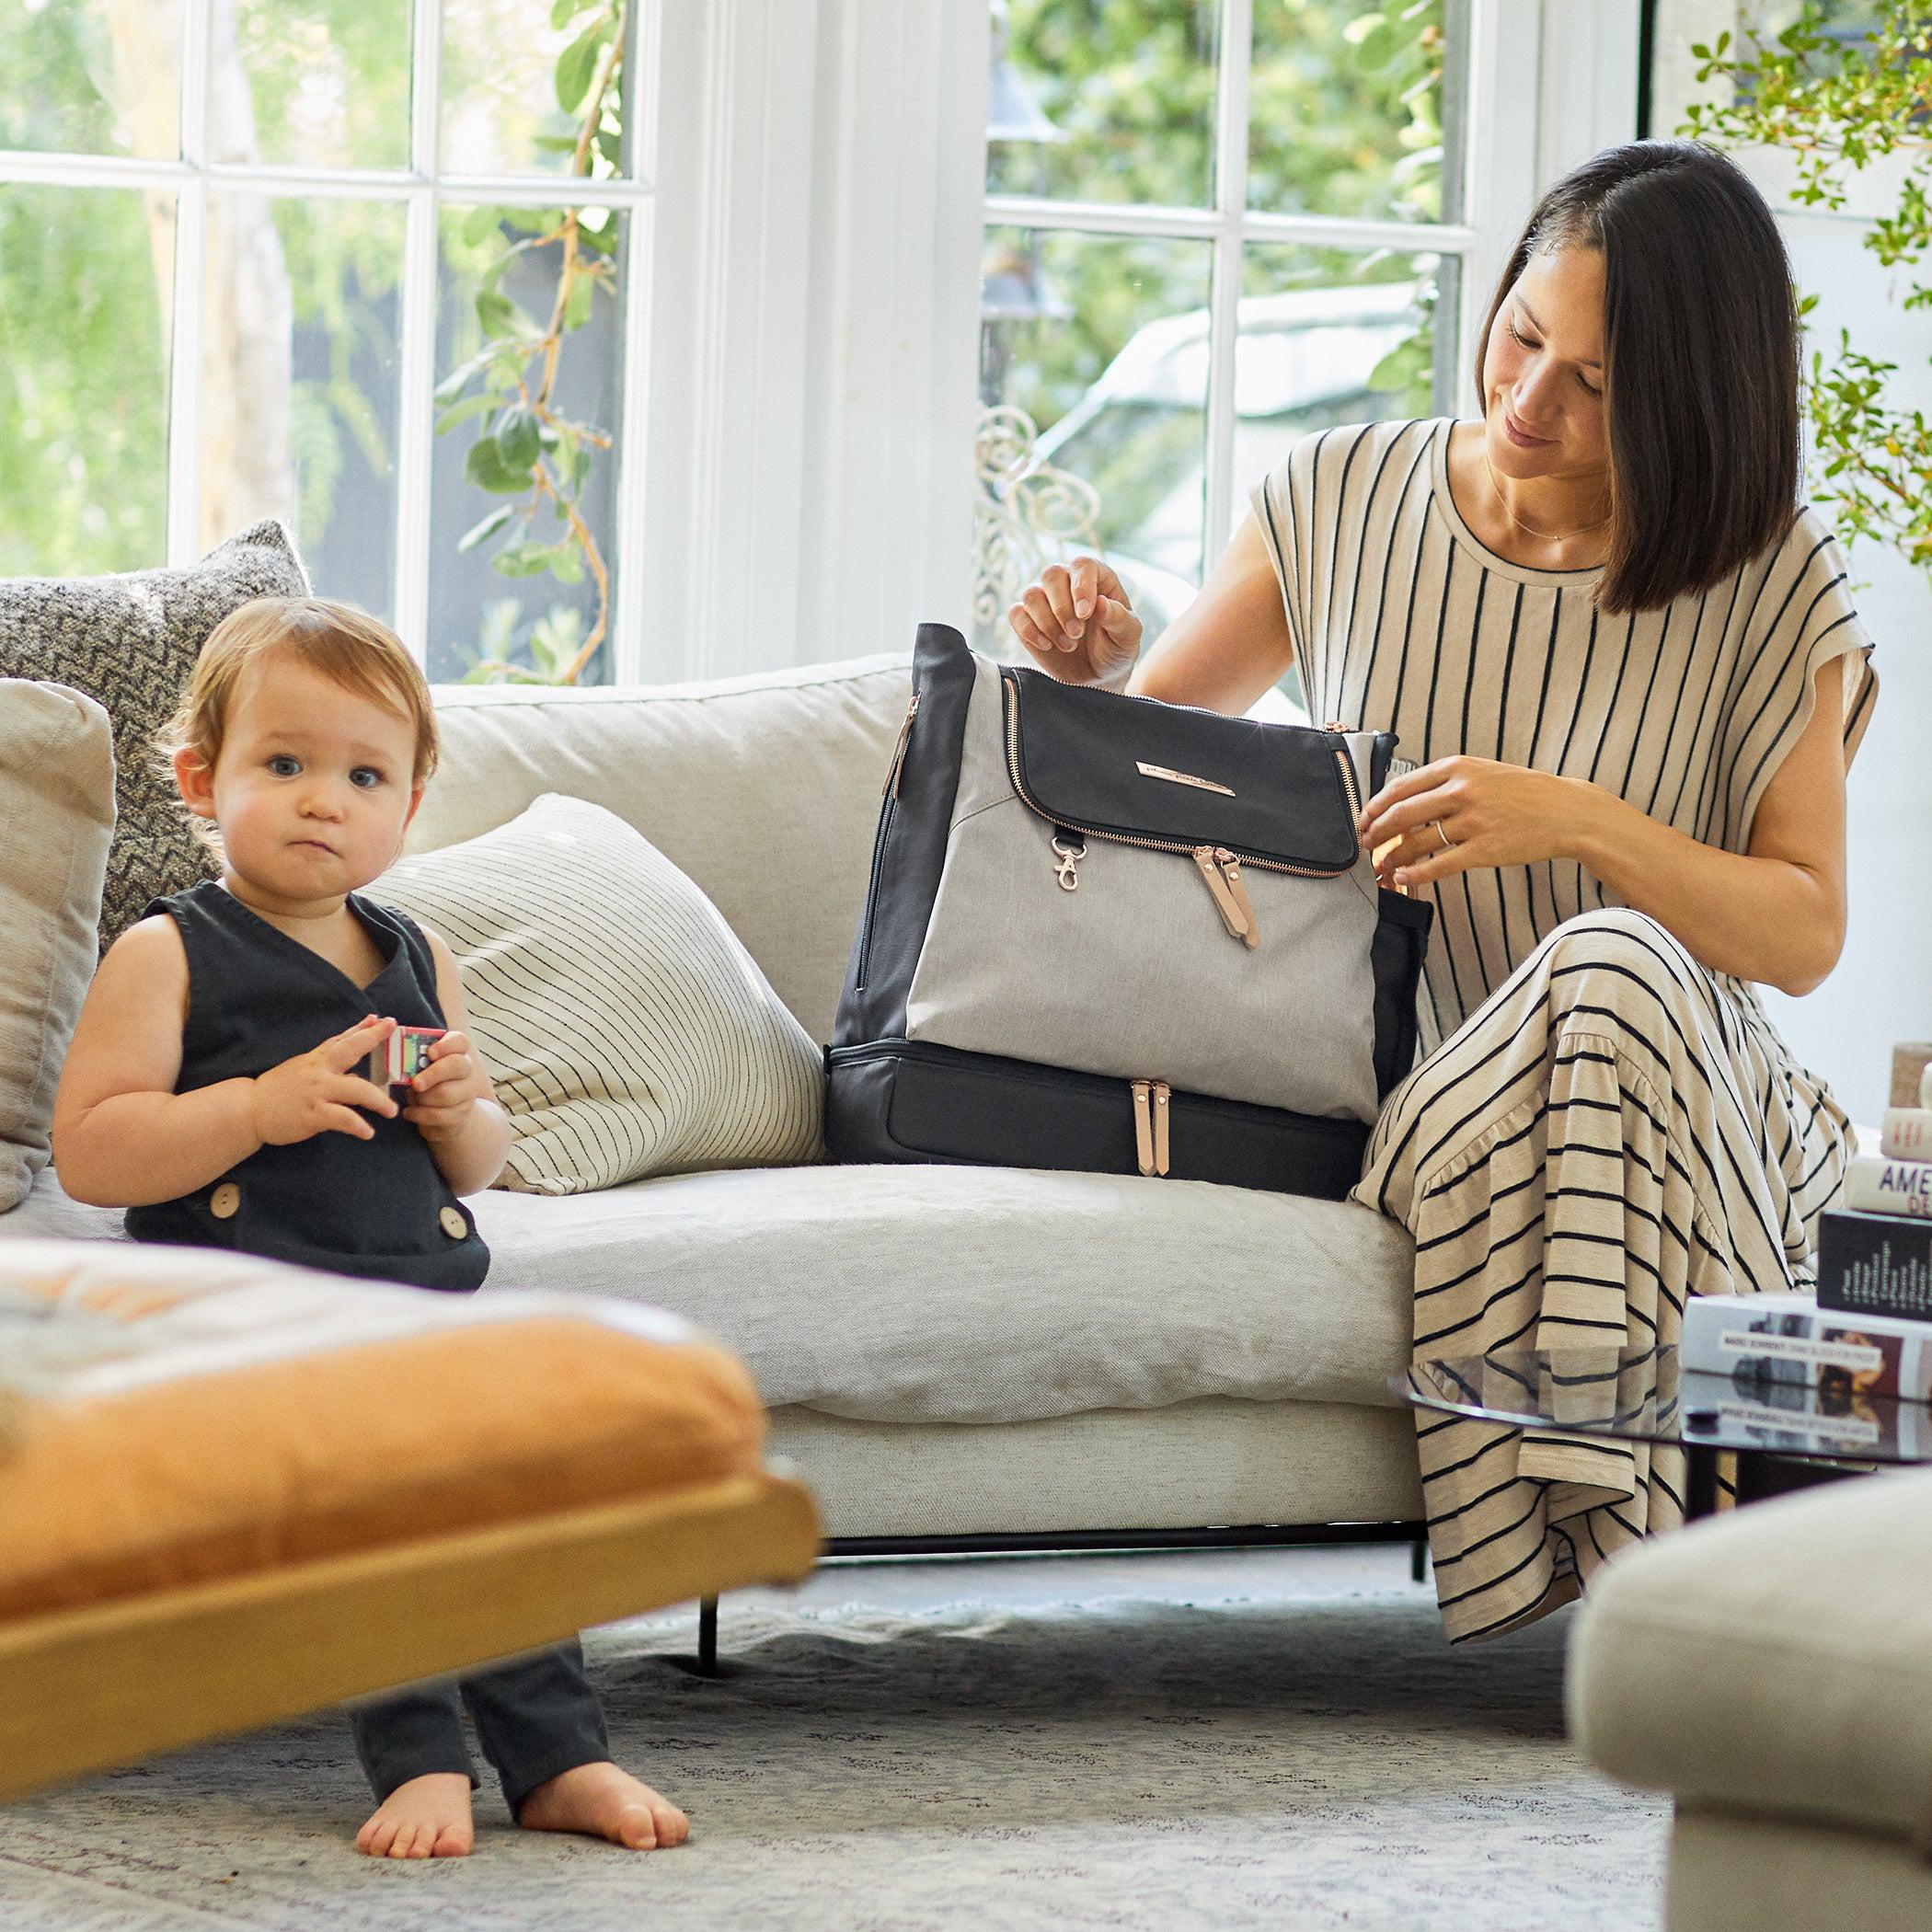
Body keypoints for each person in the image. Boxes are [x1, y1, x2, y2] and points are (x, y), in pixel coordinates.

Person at [1006, 139, 1880, 1643]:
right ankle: (1700, 1606)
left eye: (1596, 383)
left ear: (1691, 403)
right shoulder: (1340, 497)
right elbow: (1149, 769)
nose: (1530, 396)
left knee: (1612, 969)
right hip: (1435, 1103)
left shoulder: (1769, 580)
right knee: (1601, 978)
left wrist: (1586, 825)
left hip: (1692, 1096)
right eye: (1524, 333)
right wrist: (1095, 686)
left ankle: (1649, 1600)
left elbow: (1803, 933)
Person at [51, 597, 692, 1857]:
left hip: (421, 1306)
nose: (321, 800)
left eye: (362, 775)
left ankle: (559, 1758)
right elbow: (94, 1148)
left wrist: (462, 1112)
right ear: (203, 779)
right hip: (249, 1322)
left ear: (408, 805)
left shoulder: (417, 952)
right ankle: (419, 1760)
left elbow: (484, 1157)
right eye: (282, 765)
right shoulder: (169, 952)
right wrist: (253, 1108)